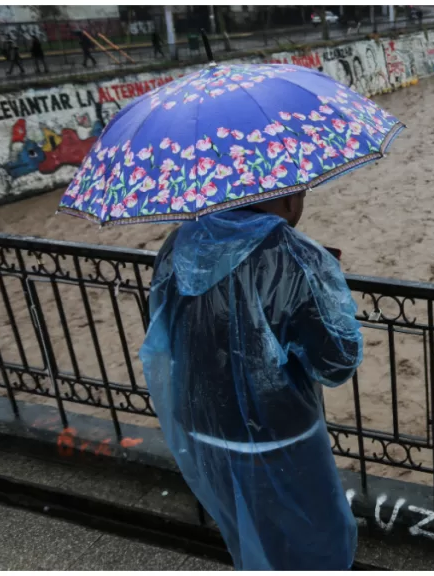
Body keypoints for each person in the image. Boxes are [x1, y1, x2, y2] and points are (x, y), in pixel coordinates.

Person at [139, 192, 363, 570]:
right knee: (314, 545)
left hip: (202, 427)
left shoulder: (179, 243)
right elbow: (336, 363)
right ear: (288, 198)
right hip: (280, 438)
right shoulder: (293, 255)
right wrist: (324, 286)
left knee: (255, 539)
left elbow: (164, 333)